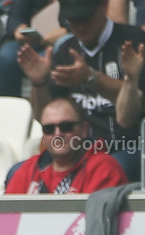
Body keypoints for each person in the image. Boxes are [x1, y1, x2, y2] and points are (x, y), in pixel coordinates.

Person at [17, 0, 145, 181]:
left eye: (86, 18)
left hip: (125, 146)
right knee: (16, 172)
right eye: (73, 20)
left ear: (104, 7)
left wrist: (91, 78)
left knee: (108, 169)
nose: (80, 26)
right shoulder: (65, 50)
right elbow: (44, 116)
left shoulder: (134, 43)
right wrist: (39, 83)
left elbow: (133, 114)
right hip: (75, 151)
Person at [6, 96, 128, 193]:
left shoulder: (104, 168)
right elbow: (7, 218)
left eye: (66, 127)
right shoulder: (28, 170)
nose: (57, 134)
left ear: (84, 129)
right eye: (49, 129)